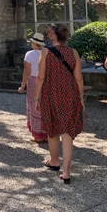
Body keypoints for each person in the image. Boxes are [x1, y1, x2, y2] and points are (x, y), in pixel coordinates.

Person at [35, 24, 84, 184]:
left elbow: (40, 77)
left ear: (55, 36)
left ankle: (54, 160)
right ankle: (66, 171)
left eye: (50, 34)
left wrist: (36, 97)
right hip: (70, 94)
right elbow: (78, 78)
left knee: (52, 128)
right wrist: (81, 98)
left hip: (51, 93)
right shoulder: (73, 52)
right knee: (67, 133)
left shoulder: (46, 52)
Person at [18, 33, 47, 143]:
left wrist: (23, 84)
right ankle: (46, 133)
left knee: (34, 105)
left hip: (33, 81)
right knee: (44, 105)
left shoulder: (29, 54)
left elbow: (27, 71)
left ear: (35, 43)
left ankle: (38, 134)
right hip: (45, 81)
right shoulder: (47, 53)